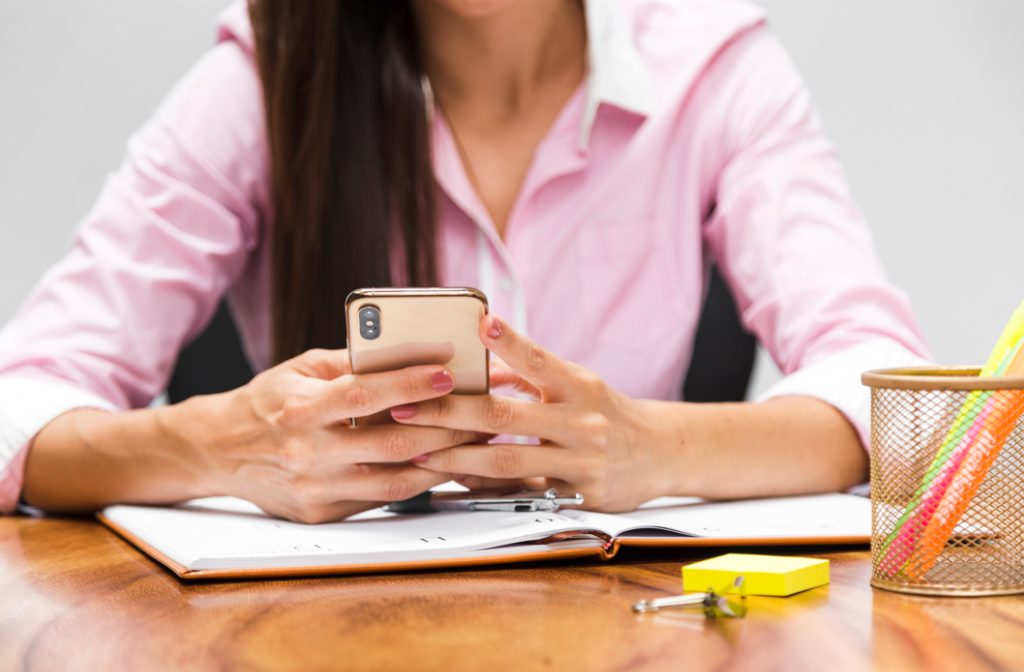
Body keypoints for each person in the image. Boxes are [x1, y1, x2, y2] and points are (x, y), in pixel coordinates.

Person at [0, 0, 930, 523]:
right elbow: (21, 405)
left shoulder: (716, 67)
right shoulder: (266, 73)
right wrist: (217, 445)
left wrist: (652, 445)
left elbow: (896, 394)